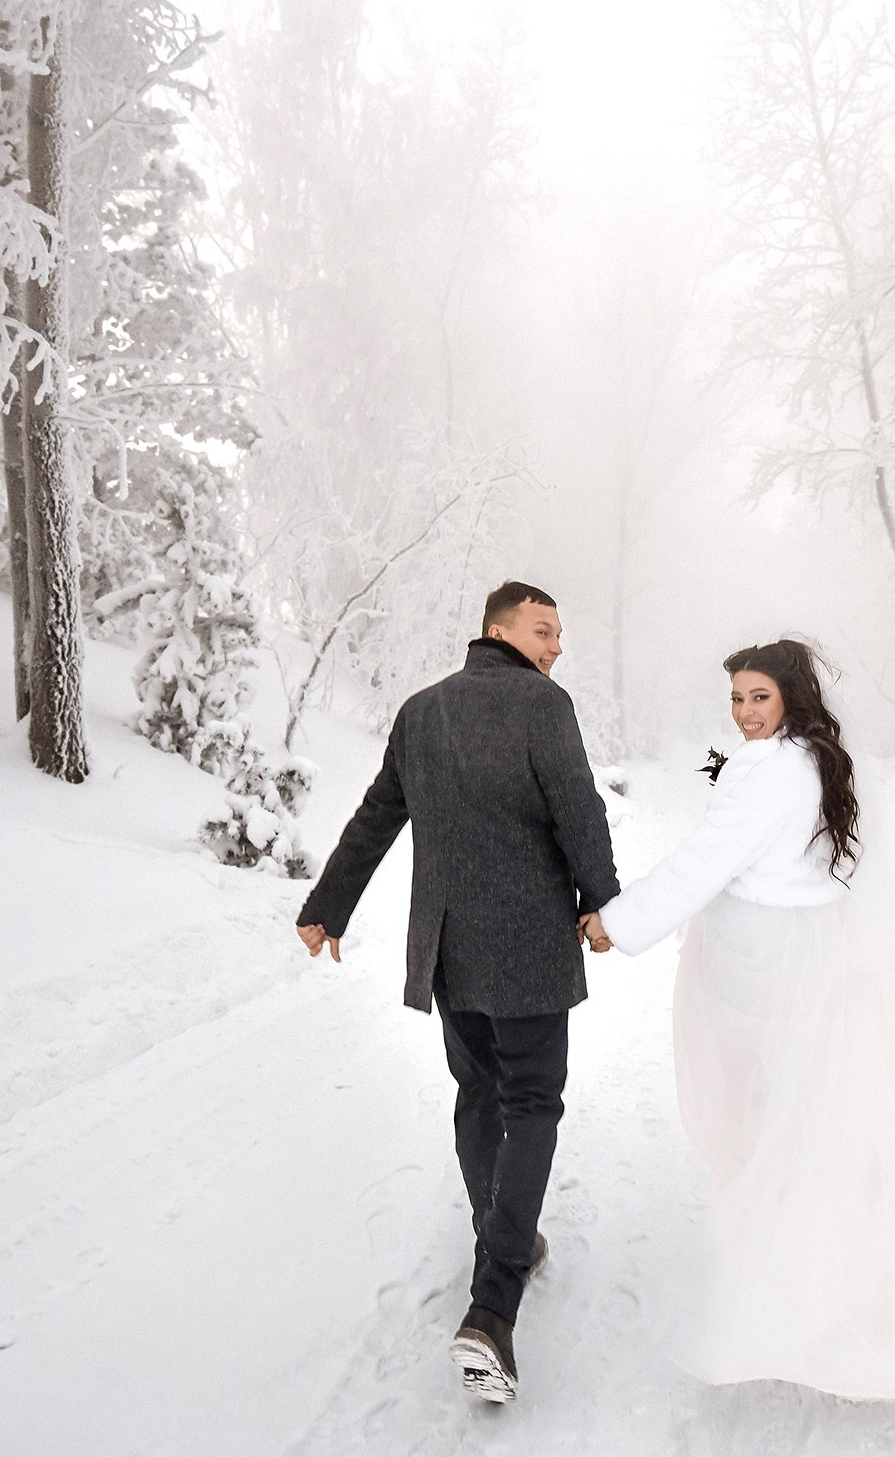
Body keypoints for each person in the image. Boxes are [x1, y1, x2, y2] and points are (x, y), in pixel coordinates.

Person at [582, 639, 895, 1400]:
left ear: (790, 695)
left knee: (777, 1123)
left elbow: (704, 860)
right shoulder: (820, 760)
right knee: (817, 1113)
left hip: (763, 968)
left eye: (760, 696)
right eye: (736, 698)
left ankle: (820, 1304)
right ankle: (863, 1274)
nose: (746, 713)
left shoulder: (766, 773)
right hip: (807, 954)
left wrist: (617, 923)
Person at [294, 580, 619, 1406]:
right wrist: (600, 900)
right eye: (546, 629)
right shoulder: (545, 708)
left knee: (480, 1093)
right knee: (534, 1103)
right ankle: (494, 1308)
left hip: (448, 952)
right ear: (499, 628)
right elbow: (578, 812)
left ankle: (502, 1234)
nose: (555, 647)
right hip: (529, 952)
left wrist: (327, 905)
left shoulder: (420, 711)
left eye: (559, 634)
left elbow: (377, 815)